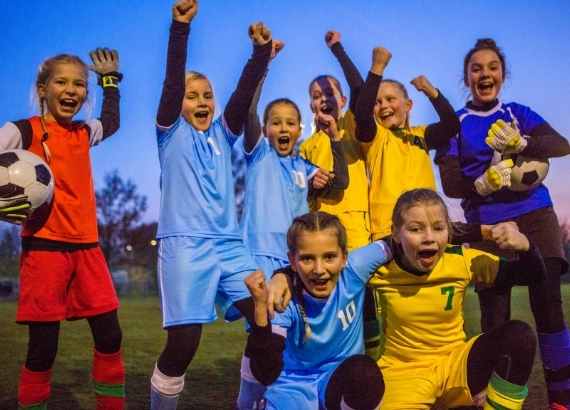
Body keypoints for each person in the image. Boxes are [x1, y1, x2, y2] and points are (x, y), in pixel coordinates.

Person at [150, 1, 273, 408]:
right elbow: (170, 83)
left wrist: (259, 54)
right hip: (185, 246)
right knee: (183, 344)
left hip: (230, 245)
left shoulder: (223, 134)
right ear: (178, 104)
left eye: (207, 95)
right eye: (192, 96)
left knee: (266, 323)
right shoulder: (170, 133)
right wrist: (179, 28)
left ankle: (249, 403)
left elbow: (240, 97)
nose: (201, 101)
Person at [435, 38, 570, 409]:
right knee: (495, 318)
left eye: (492, 67)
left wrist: (523, 141)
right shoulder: (455, 124)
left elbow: (561, 145)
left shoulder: (517, 112)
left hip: (535, 218)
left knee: (550, 307)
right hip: (487, 227)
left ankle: (562, 399)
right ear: (467, 77)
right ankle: (497, 401)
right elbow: (449, 184)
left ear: (502, 74)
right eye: (476, 68)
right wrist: (479, 184)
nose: (485, 74)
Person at [0, 48, 125, 409]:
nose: (71, 90)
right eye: (61, 82)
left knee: (110, 335)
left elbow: (112, 122)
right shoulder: (21, 131)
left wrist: (110, 82)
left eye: (79, 84)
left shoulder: (83, 133)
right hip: (44, 249)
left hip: (88, 248)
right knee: (43, 348)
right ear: (43, 89)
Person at [237, 42, 350, 408]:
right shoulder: (259, 154)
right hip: (254, 261)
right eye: (276, 122)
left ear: (299, 128)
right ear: (266, 129)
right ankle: (248, 400)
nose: (283, 127)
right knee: (263, 337)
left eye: (290, 122)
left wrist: (334, 140)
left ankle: (263, 400)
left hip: (290, 267)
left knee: (276, 343)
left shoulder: (304, 166)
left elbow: (340, 184)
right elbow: (250, 107)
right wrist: (263, 62)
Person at [368, 188, 546, 409]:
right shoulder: (378, 270)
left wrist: (526, 247)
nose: (429, 238)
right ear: (395, 233)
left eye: (439, 228)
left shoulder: (460, 260)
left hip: (456, 368)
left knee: (519, 336)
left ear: (449, 232)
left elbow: (533, 275)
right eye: (415, 229)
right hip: (403, 373)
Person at [245, 211, 391, 410]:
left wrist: (447, 231)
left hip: (338, 377)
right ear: (292, 261)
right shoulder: (282, 296)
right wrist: (261, 312)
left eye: (330, 257)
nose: (319, 269)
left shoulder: (355, 268)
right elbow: (266, 374)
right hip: (292, 385)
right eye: (307, 259)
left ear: (344, 257)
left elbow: (397, 242)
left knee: (365, 375)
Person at [354, 46, 460, 241]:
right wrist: (377, 68)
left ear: (408, 105)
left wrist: (431, 92)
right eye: (377, 102)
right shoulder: (376, 138)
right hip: (388, 232)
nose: (384, 105)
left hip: (427, 229)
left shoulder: (421, 135)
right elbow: (361, 115)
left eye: (390, 99)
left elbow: (452, 125)